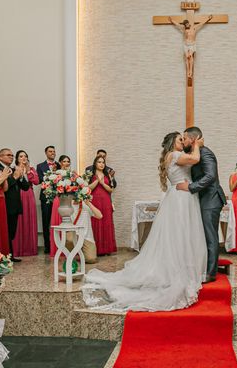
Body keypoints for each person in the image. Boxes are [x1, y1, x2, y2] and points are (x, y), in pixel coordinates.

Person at [83, 131, 206, 311]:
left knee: (179, 234)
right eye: (180, 139)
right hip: (181, 198)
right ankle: (177, 271)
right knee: (180, 233)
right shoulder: (175, 155)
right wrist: (197, 144)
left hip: (180, 196)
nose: (183, 142)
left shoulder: (171, 156)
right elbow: (195, 159)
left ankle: (181, 266)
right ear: (173, 143)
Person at [176, 126, 226, 282]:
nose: (183, 141)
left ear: (193, 139)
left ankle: (211, 273)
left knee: (210, 236)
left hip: (211, 199)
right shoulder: (194, 153)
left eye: (184, 138)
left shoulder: (206, 153)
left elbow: (210, 176)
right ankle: (203, 267)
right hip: (203, 199)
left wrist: (190, 187)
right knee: (203, 235)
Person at [0, 149, 30, 262]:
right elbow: (3, 188)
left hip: (15, 204)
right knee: (6, 231)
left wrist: (22, 175)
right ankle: (5, 256)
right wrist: (15, 177)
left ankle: (9, 255)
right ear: (0, 157)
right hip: (4, 204)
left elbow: (25, 187)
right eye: (8, 155)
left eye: (12, 155)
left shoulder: (12, 169)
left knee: (11, 231)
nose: (11, 157)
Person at [169, 15, 213, 80]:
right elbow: (177, 24)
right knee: (187, 58)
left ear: (188, 23)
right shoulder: (184, 29)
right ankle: (188, 71)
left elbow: (201, 24)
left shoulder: (194, 28)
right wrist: (171, 20)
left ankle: (190, 72)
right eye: (185, 24)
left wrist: (208, 19)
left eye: (187, 24)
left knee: (191, 57)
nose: (186, 25)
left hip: (192, 44)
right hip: (186, 44)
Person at [89, 155, 117, 255]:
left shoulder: (107, 175)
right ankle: (95, 249)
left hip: (106, 201)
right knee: (95, 222)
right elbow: (88, 189)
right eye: (99, 162)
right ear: (95, 163)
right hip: (94, 201)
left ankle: (106, 249)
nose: (101, 164)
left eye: (103, 162)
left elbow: (111, 190)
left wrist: (103, 183)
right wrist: (97, 181)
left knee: (106, 223)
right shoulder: (90, 174)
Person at [13, 150, 39, 257]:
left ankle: (29, 249)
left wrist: (28, 171)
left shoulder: (31, 169)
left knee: (29, 219)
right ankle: (18, 249)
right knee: (18, 220)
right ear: (17, 158)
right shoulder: (13, 169)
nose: (23, 158)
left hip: (29, 195)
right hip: (18, 194)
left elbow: (36, 182)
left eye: (25, 156)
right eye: (21, 156)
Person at [49, 155, 74, 256]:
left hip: (68, 200)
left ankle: (68, 248)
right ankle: (58, 250)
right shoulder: (55, 174)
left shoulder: (72, 174)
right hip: (58, 200)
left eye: (68, 161)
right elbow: (52, 188)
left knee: (68, 222)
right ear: (60, 162)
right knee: (58, 223)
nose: (67, 163)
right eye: (64, 161)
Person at [37, 146, 59, 254]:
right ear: (46, 153)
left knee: (58, 221)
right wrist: (51, 175)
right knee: (46, 221)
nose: (53, 153)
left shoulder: (59, 165)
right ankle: (47, 246)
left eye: (54, 151)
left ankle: (58, 244)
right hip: (45, 196)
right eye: (50, 151)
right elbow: (40, 179)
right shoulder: (40, 166)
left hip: (58, 196)